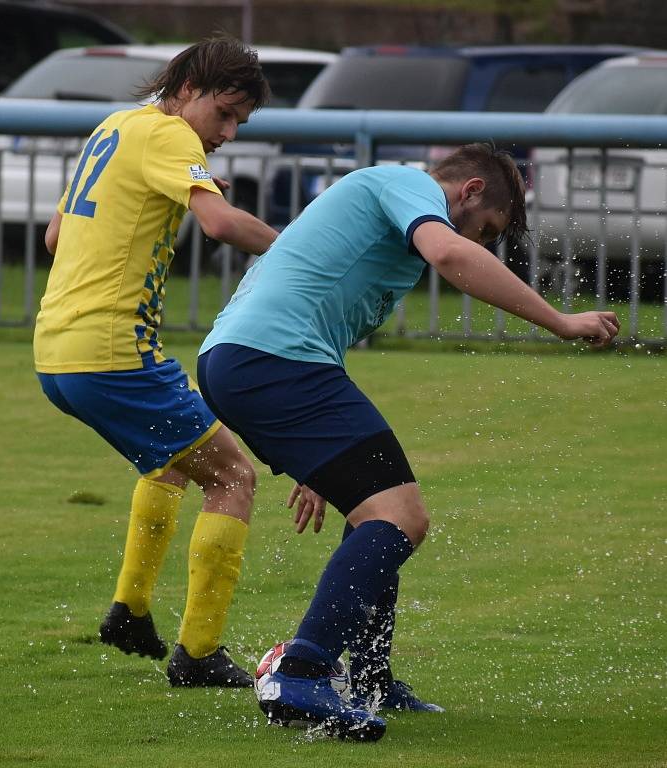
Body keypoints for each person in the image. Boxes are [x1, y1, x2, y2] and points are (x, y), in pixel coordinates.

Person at [197, 143, 620, 740]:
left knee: (375, 510)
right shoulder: (407, 185)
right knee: (403, 518)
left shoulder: (387, 221)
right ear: (469, 190)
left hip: (249, 362)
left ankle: (370, 679)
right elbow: (450, 254)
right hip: (272, 362)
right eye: (485, 229)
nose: (476, 240)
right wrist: (561, 321)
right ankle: (303, 671)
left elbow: (320, 309)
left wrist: (317, 465)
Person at [33, 37, 278, 688]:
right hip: (114, 354)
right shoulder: (174, 137)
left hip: (56, 353)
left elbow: (55, 236)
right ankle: (198, 656)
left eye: (238, 124)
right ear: (188, 89)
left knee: (172, 463)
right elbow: (221, 227)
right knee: (233, 478)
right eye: (223, 114)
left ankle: (130, 610)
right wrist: (297, 249)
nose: (225, 133)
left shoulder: (116, 126)